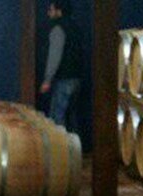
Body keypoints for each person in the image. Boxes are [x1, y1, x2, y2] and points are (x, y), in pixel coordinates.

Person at [40, 0, 83, 131]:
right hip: (77, 79)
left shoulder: (58, 29)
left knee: (57, 120)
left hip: (64, 80)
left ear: (59, 12)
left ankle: (61, 151)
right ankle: (75, 150)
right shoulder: (75, 27)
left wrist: (47, 80)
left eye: (51, 10)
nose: (49, 13)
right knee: (72, 119)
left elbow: (55, 56)